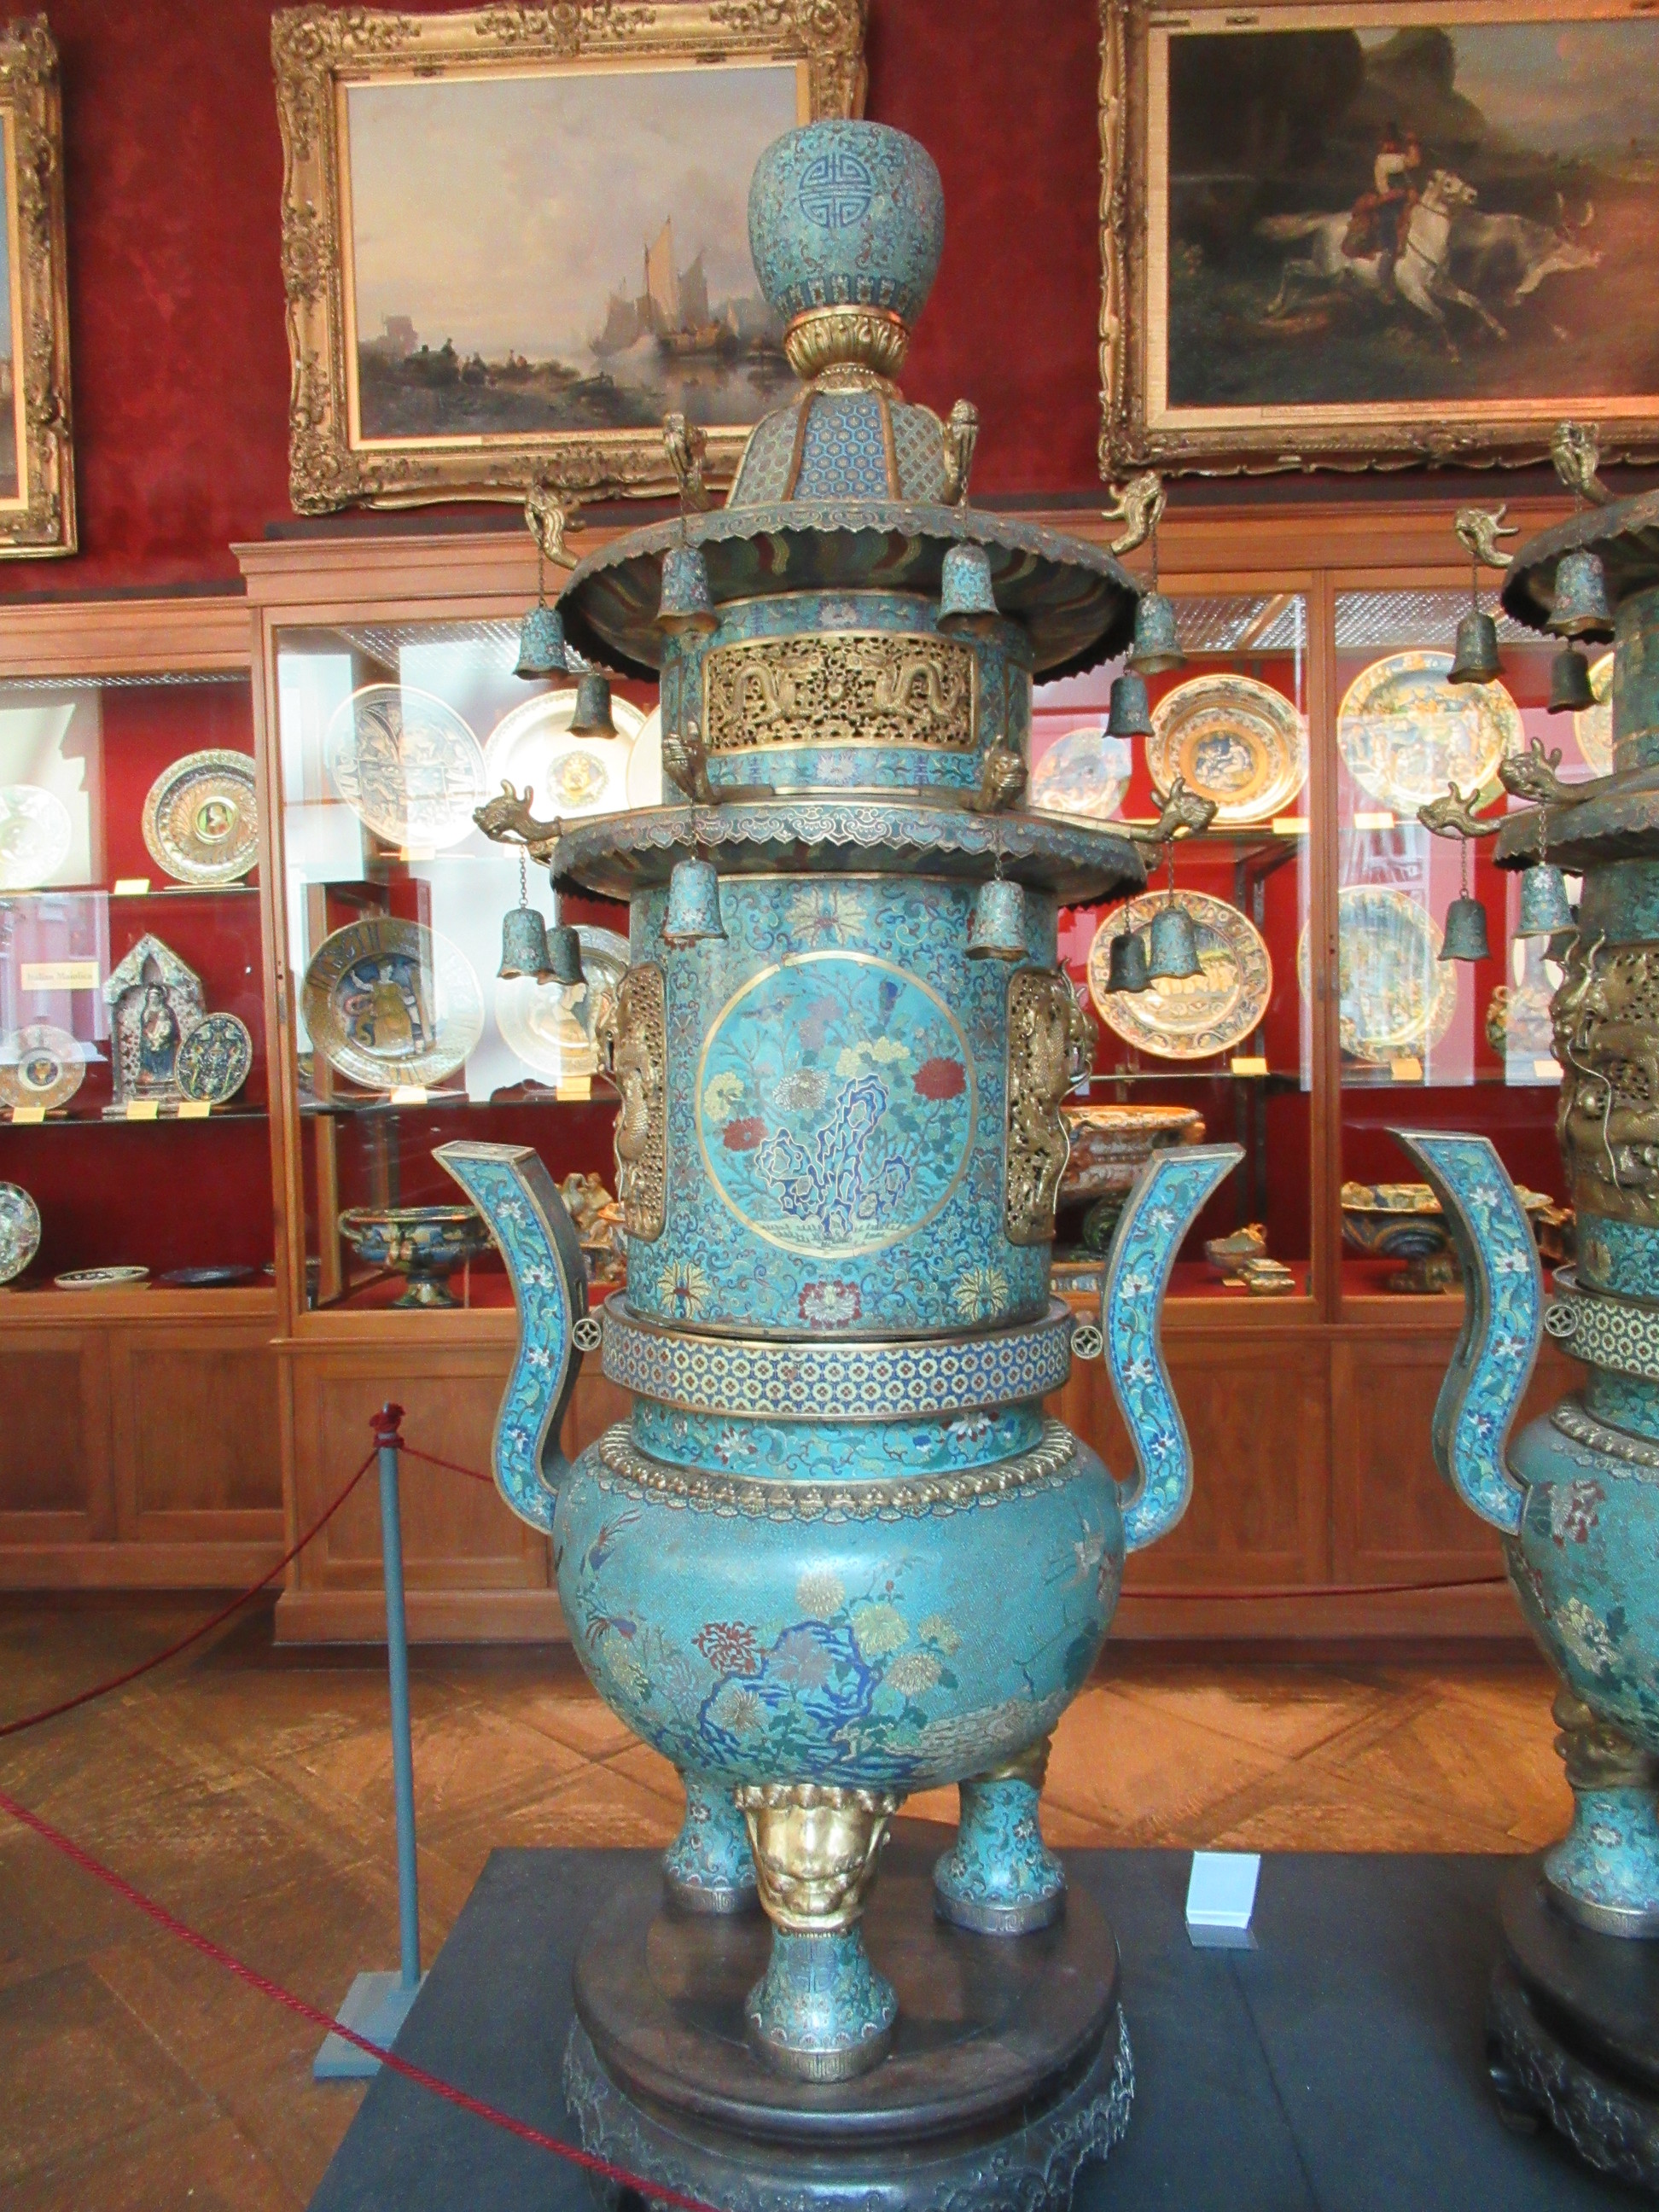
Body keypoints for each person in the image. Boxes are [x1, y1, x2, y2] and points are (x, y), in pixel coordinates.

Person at [1344, 121, 1422, 269]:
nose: (1392, 145)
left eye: (1393, 142)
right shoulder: (1385, 160)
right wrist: (1413, 142)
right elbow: (1414, 161)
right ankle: (1386, 265)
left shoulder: (1395, 159)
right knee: (1390, 228)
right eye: (1389, 142)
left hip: (1402, 203)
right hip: (1389, 204)